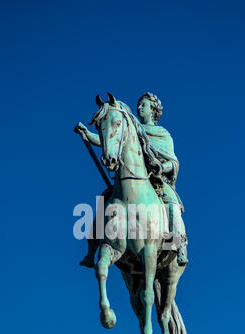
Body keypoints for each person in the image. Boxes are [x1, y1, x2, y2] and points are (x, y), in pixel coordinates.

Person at [75, 92, 188, 267]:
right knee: (103, 202)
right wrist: (88, 135)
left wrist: (161, 167)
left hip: (156, 181)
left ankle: (176, 244)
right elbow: (110, 138)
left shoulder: (162, 133)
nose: (139, 107)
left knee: (171, 203)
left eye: (144, 105)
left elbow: (173, 162)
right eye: (139, 104)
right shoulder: (132, 129)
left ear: (153, 110)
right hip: (130, 178)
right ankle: (91, 250)